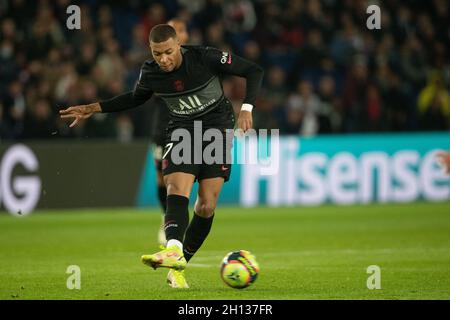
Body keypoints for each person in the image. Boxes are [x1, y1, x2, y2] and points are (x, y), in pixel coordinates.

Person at [59, 24, 264, 288]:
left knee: (206, 205)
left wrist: (247, 108)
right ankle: (173, 248)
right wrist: (94, 107)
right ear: (151, 51)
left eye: (168, 52)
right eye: (157, 54)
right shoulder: (151, 72)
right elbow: (135, 98)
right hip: (182, 130)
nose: (163, 59)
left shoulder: (205, 57)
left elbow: (253, 70)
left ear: (178, 44)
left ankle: (179, 266)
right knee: (176, 188)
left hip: (217, 129)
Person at [151, 19, 189, 247]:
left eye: (180, 30)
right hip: (162, 127)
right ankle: (165, 219)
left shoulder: (196, 60)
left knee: (182, 179)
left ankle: (175, 223)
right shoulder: (157, 64)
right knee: (161, 179)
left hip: (187, 129)